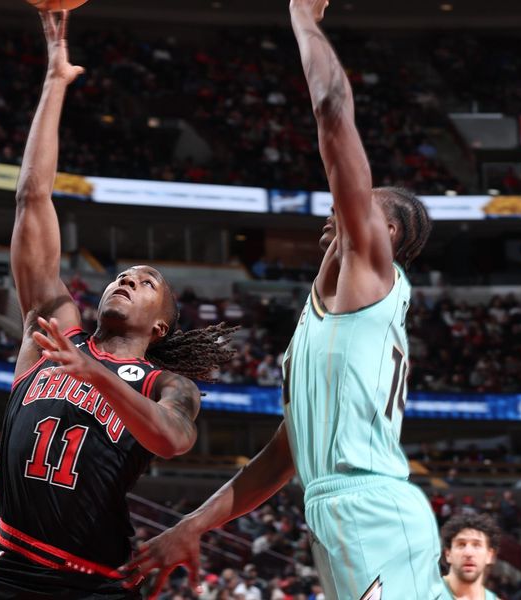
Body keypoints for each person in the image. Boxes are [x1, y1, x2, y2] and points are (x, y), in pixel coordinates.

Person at [123, 1, 437, 598]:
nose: (341, 202)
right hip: (340, 509)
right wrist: (194, 524)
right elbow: (283, 455)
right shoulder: (325, 323)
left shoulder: (373, 274)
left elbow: (332, 110)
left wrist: (303, 17)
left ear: (386, 234)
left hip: (368, 507)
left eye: (363, 203)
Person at [0, 11, 234, 600]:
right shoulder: (53, 331)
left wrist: (98, 376)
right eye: (121, 275)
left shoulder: (166, 384)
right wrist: (55, 81)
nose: (124, 280)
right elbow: (31, 199)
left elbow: (173, 440)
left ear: (161, 322)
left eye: (144, 282)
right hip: (10, 570)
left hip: (98, 583)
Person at [441, 514, 500, 600]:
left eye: (476, 545)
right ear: (448, 554)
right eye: (461, 544)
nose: (468, 553)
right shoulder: (426, 593)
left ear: (489, 555)